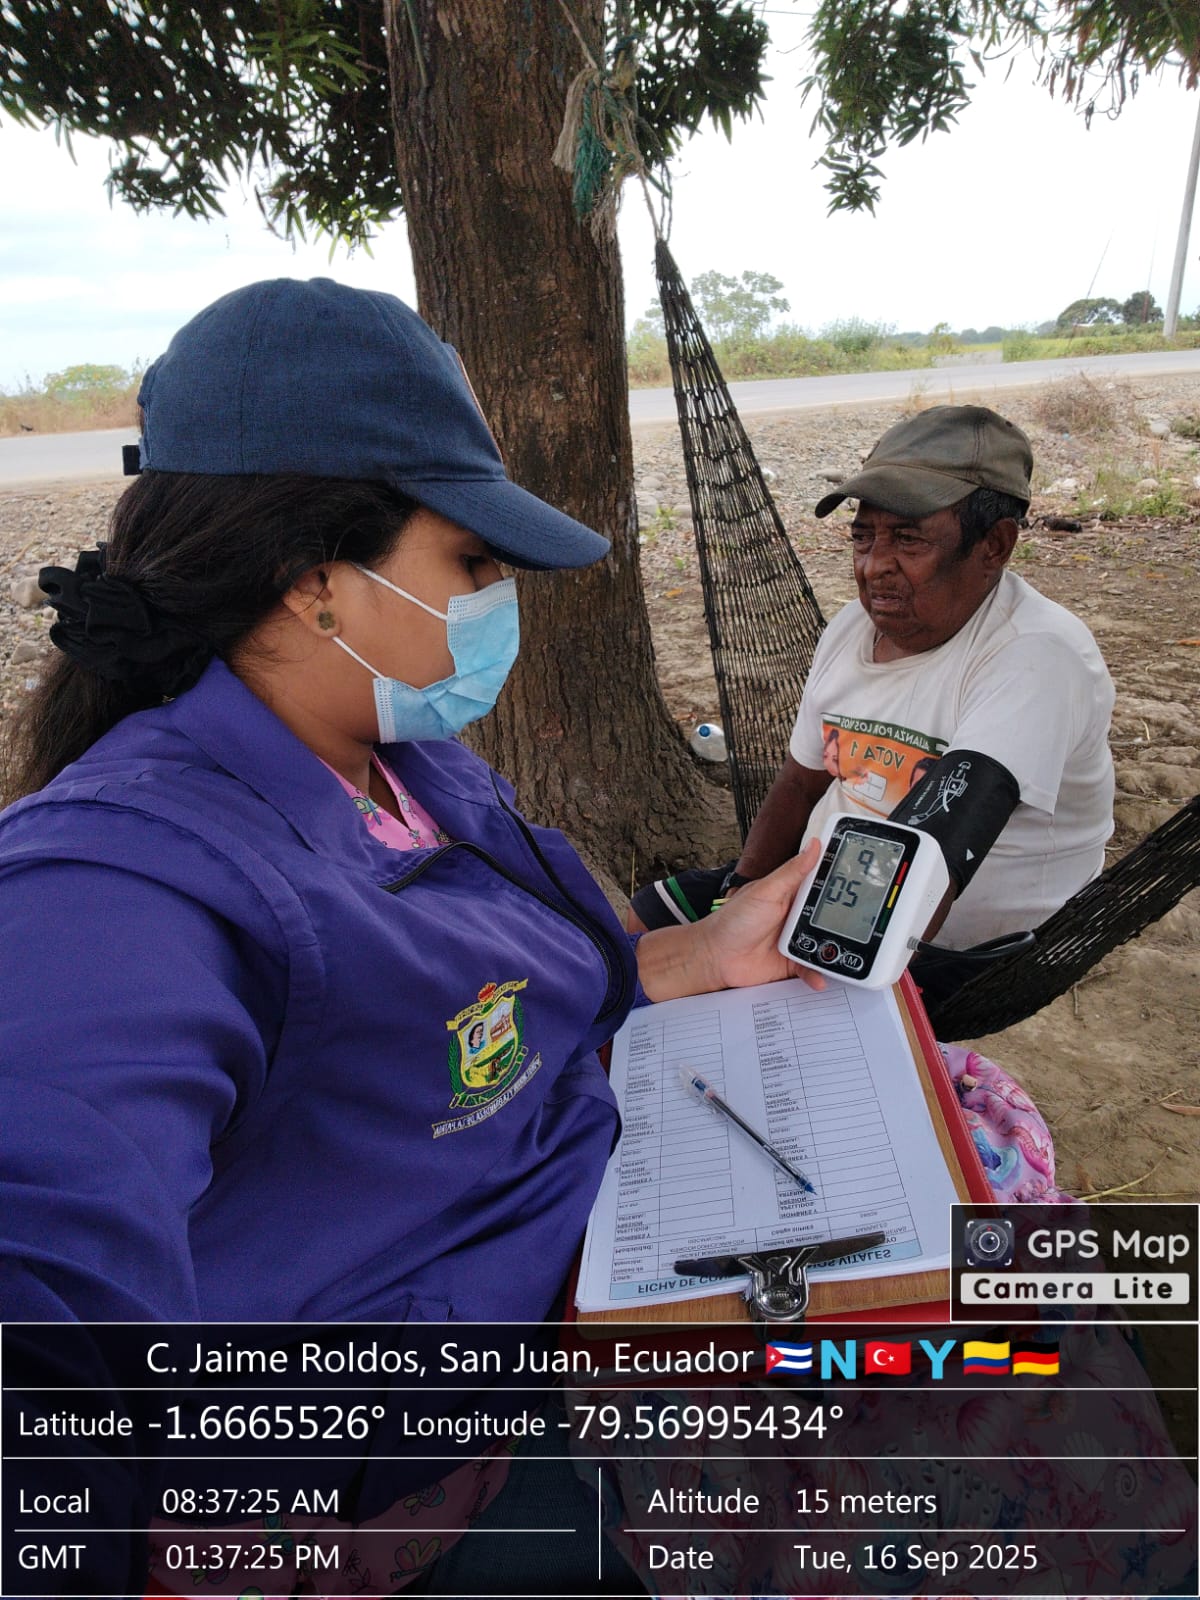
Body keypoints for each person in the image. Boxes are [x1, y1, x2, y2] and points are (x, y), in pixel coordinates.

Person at [0, 276, 830, 1597]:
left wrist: (702, 952)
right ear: (315, 582)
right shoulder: (120, 878)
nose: (501, 603)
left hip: (579, 1269)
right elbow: (43, 1266)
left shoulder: (403, 760)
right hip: (426, 1459)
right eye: (475, 565)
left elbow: (479, 998)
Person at [629, 405, 1116, 1009]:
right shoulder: (852, 629)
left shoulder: (1036, 656)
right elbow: (801, 783)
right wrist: (742, 890)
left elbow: (935, 855)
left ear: (994, 544)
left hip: (940, 944)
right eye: (864, 537)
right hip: (826, 884)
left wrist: (768, 954)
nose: (874, 566)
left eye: (908, 540)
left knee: (677, 989)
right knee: (633, 927)